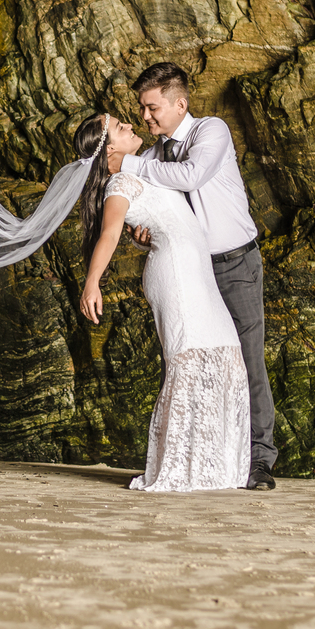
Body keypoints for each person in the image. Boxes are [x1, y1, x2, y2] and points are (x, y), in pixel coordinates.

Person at [105, 62, 277, 491]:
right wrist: (144, 238)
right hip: (190, 273)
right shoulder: (152, 156)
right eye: (142, 109)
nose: (145, 116)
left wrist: (128, 162)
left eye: (152, 108)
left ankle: (259, 461)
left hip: (234, 264)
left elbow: (191, 175)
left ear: (180, 104)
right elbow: (155, 214)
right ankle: (213, 458)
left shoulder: (210, 131)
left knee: (248, 360)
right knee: (198, 363)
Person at [76, 113, 249, 491]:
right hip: (176, 275)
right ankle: (179, 467)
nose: (130, 125)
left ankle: (216, 468)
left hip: (196, 272)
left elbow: (166, 214)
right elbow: (109, 234)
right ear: (109, 149)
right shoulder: (119, 182)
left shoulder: (146, 167)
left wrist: (141, 235)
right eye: (119, 127)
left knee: (226, 353)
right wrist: (92, 282)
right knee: (190, 360)